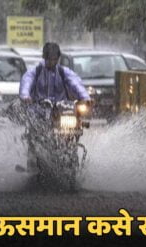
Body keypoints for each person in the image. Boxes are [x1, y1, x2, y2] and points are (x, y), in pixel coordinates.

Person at [18, 42, 91, 171]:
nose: (52, 62)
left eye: (55, 59)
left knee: (75, 126)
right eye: (49, 59)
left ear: (58, 59)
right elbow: (26, 82)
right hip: (39, 111)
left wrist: (85, 98)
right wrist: (25, 96)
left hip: (62, 111)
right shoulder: (35, 72)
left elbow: (76, 83)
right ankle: (34, 159)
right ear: (44, 58)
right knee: (34, 131)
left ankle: (71, 152)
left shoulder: (64, 72)